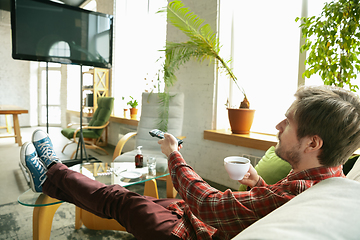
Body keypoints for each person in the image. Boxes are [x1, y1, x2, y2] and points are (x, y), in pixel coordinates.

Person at [20, 85, 360, 240]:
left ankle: (52, 173)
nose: (277, 127)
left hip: (193, 231)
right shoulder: (324, 181)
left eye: (288, 123)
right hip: (198, 220)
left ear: (313, 142)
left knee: (120, 198)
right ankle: (54, 179)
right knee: (143, 199)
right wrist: (259, 186)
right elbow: (276, 205)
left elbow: (208, 203)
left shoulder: (302, 186)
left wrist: (173, 154)